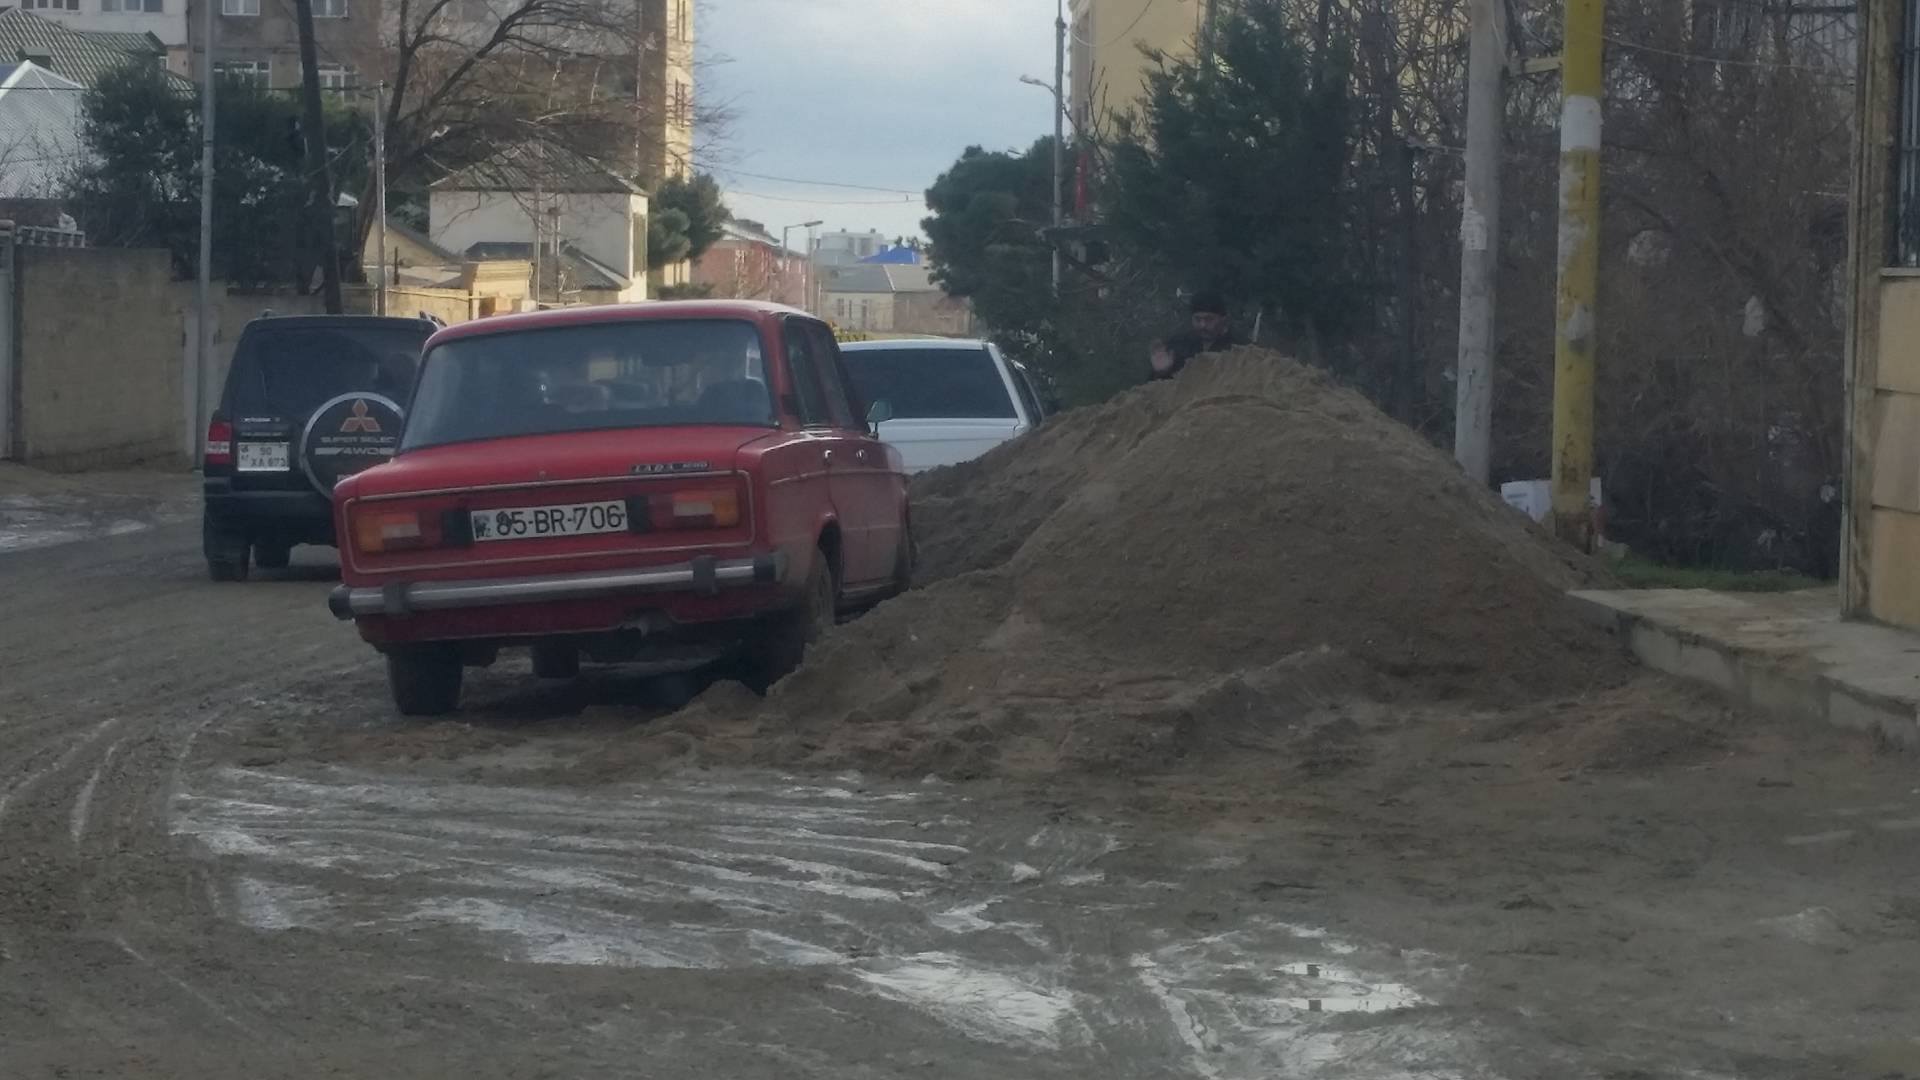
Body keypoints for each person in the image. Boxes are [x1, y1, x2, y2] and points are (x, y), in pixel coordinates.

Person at [1149, 291, 1244, 380]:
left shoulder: (1241, 349)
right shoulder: (1178, 345)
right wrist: (1161, 372)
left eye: (1209, 319)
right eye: (1197, 319)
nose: (1202, 325)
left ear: (1223, 320)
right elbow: (1156, 390)